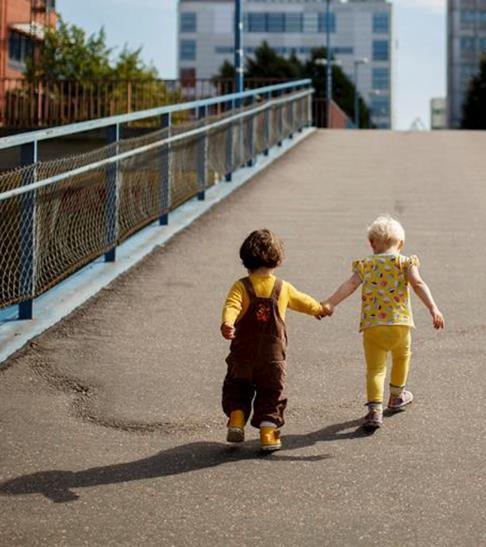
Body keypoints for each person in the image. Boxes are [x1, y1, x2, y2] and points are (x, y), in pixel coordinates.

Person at [321, 215, 444, 430]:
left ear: (372, 243)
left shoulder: (366, 265)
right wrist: (433, 308)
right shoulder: (404, 262)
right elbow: (418, 284)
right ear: (401, 244)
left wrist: (330, 303)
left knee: (376, 369)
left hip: (373, 327)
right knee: (401, 358)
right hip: (400, 325)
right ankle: (396, 395)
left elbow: (349, 285)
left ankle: (374, 410)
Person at [221, 229, 327, 451]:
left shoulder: (241, 286)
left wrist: (228, 323)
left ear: (245, 259)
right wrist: (318, 308)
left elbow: (232, 305)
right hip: (272, 357)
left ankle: (237, 420)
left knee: (238, 387)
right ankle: (268, 435)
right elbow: (302, 301)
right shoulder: (283, 287)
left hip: (243, 355)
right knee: (271, 393)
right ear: (278, 261)